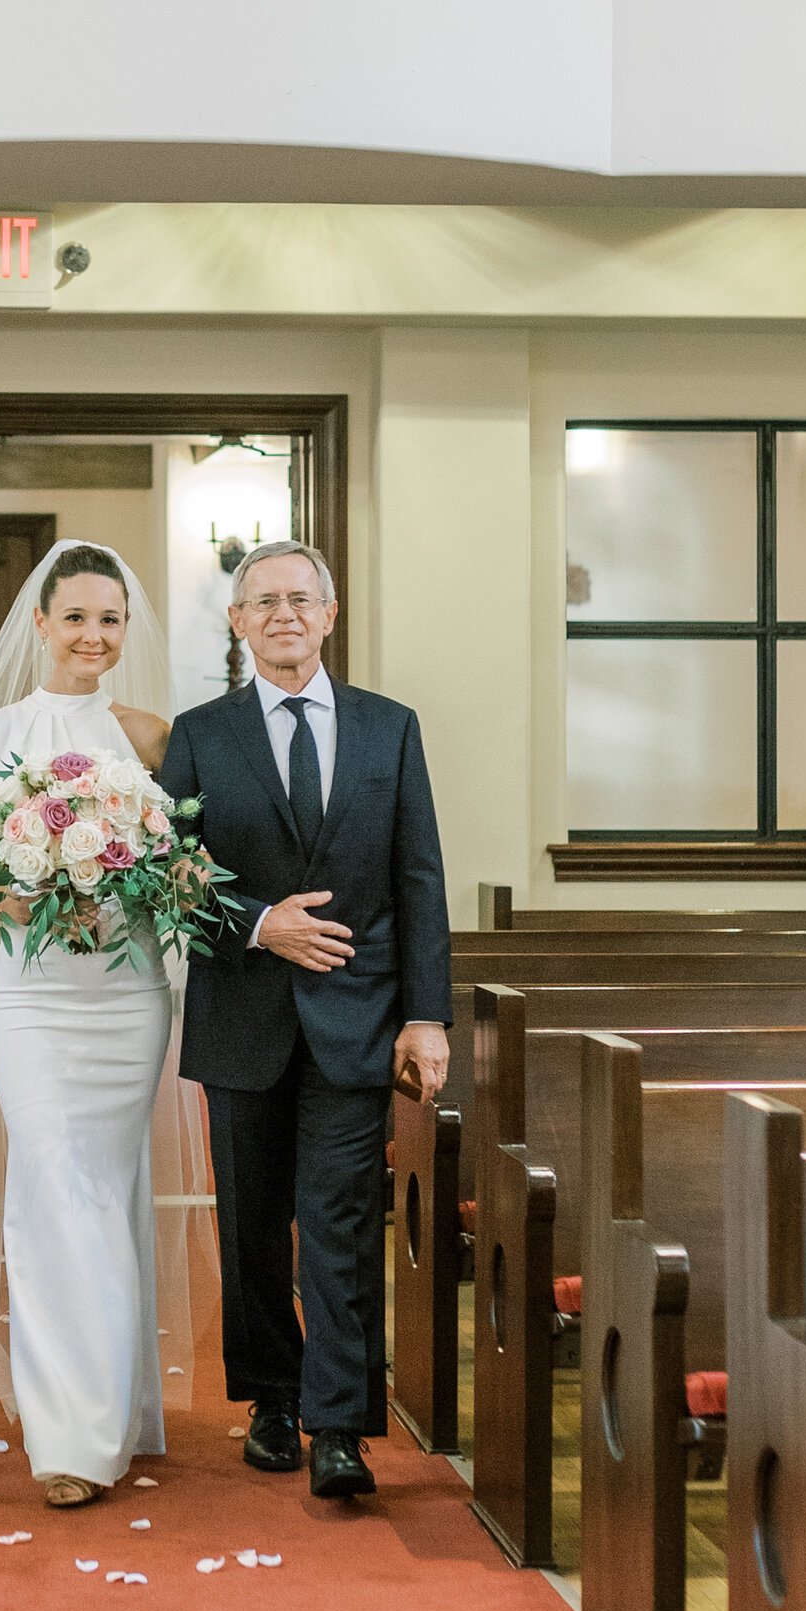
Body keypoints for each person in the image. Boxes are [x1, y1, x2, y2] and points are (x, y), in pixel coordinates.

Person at [159, 541, 451, 1503]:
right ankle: (273, 1401)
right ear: (238, 624)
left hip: (358, 1018)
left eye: (301, 600)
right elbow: (170, 884)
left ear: (330, 616)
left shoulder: (389, 729)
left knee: (340, 1220)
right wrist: (259, 925)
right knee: (252, 1227)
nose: (283, 615)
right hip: (243, 1015)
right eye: (262, 603)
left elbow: (419, 881)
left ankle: (340, 1426)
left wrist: (426, 1016)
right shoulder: (199, 736)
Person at [0, 541, 213, 1508]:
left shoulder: (151, 738)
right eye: (76, 618)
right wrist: (22, 894)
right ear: (41, 624)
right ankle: (69, 1436)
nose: (93, 636)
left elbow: (187, 868)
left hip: (125, 993)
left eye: (110, 620)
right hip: (34, 996)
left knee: (107, 1185)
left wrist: (141, 883)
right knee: (52, 1178)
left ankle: (117, 1407)